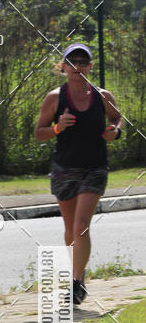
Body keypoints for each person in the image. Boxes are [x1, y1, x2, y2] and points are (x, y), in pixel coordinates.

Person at [35, 43, 123, 305]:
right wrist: (57, 128)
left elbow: (118, 119)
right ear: (63, 67)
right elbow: (39, 132)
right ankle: (80, 274)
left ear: (90, 67)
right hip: (64, 168)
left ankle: (75, 284)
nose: (77, 67)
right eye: (72, 62)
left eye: (83, 62)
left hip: (95, 167)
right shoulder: (54, 97)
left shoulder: (102, 96)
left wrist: (115, 131)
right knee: (70, 230)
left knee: (81, 225)